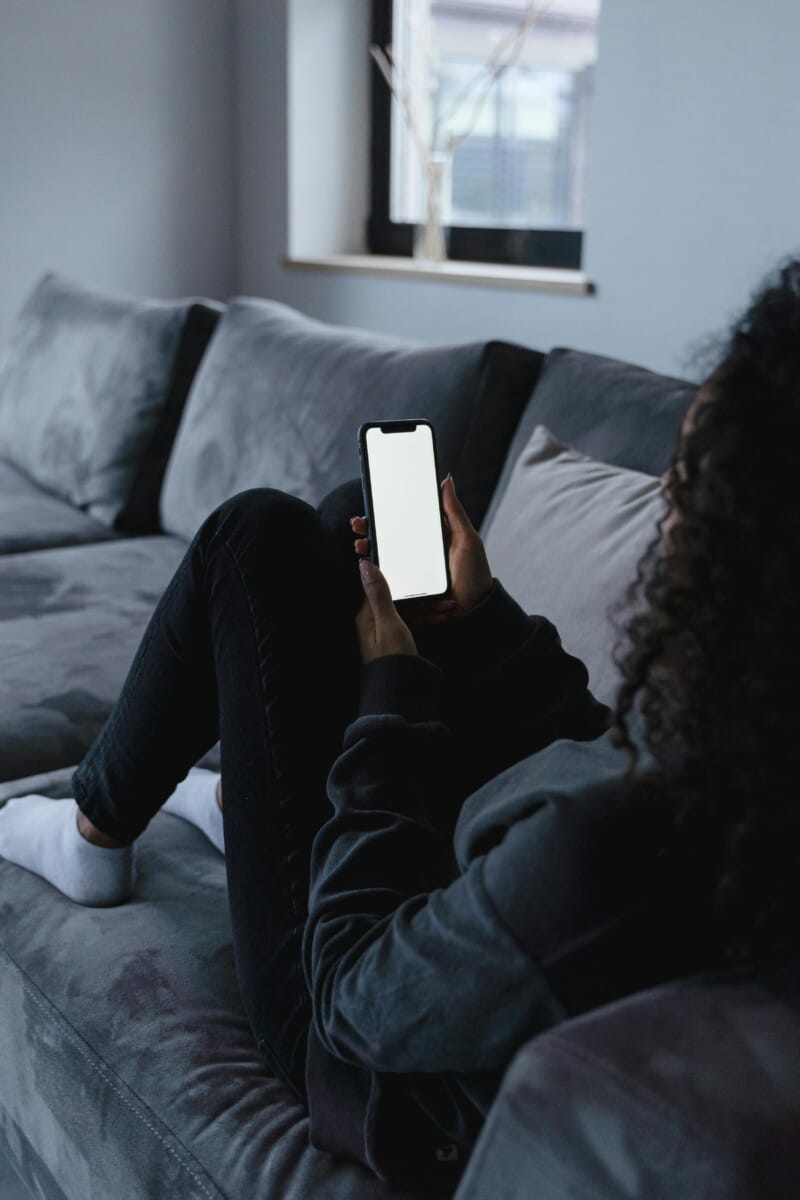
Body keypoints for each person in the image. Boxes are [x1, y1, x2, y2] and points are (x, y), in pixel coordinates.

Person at [1, 260, 798, 1192]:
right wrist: (489, 615)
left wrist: (391, 687)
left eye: (685, 488)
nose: (666, 514)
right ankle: (239, 801)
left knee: (252, 535)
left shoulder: (605, 852)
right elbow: (590, 747)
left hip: (348, 1038)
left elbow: (351, 996)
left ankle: (94, 827)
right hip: (466, 896)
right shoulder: (748, 753)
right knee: (349, 522)